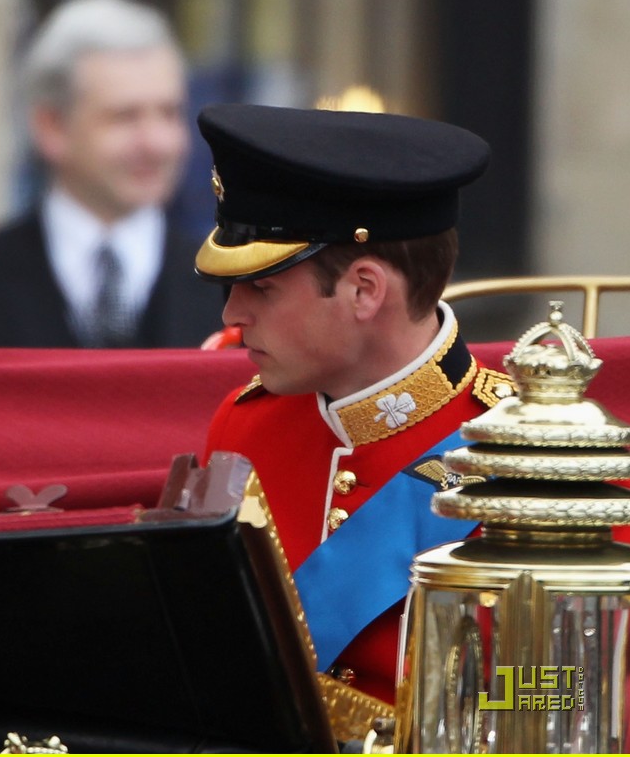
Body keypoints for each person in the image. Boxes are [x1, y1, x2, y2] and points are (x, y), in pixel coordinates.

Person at [194, 103, 501, 709]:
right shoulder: (244, 421)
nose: (231, 316)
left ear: (364, 289)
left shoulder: (532, 459)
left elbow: (590, 693)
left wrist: (476, 717)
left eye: (262, 287)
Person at [0, 0, 224, 348]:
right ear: (51, 126)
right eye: (124, 117)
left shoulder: (230, 285)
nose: (156, 143)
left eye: (169, 113)